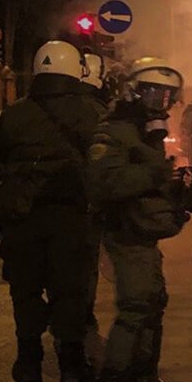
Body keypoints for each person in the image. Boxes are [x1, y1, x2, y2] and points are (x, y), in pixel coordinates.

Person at [0, 40, 99, 382]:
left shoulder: (13, 114)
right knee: (69, 294)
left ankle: (29, 368)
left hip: (21, 221)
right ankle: (71, 368)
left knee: (25, 294)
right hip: (71, 221)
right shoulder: (92, 112)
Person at [87, 57, 190, 382]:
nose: (160, 104)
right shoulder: (114, 129)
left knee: (153, 302)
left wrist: (174, 184)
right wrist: (157, 174)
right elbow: (106, 183)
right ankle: (114, 381)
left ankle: (143, 375)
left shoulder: (145, 132)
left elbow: (143, 179)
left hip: (143, 232)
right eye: (152, 94)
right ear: (133, 92)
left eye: (166, 97)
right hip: (126, 232)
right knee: (134, 308)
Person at [79, 50, 111, 336]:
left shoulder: (17, 113)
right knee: (85, 263)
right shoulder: (99, 113)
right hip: (84, 206)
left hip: (34, 210)